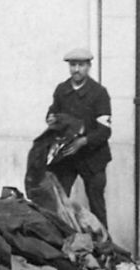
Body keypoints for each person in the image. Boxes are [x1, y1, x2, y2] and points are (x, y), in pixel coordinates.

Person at [45, 48, 113, 234]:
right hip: (67, 157)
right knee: (58, 201)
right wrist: (51, 118)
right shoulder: (62, 90)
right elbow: (53, 111)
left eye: (81, 65)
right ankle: (62, 241)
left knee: (96, 203)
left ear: (88, 67)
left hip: (93, 158)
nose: (76, 69)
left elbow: (105, 130)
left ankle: (104, 245)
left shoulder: (99, 93)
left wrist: (83, 141)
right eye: (73, 65)